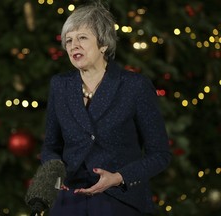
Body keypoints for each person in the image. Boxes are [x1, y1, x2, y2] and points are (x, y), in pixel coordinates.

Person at [41, 2, 171, 216]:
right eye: (69, 40)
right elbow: (50, 146)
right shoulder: (60, 85)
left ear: (103, 44)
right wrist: (54, 170)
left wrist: (119, 177)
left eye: (82, 38)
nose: (74, 45)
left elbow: (160, 155)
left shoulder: (135, 86)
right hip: (69, 199)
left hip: (120, 199)